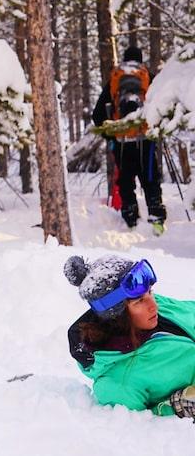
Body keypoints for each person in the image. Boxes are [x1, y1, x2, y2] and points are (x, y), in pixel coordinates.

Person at [64, 254, 195, 418]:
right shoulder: (118, 382)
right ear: (117, 315)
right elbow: (139, 429)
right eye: (139, 301)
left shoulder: (156, 309)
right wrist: (174, 406)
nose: (154, 306)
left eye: (150, 292)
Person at [91, 45, 166, 231]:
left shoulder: (115, 80)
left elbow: (97, 115)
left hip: (121, 139)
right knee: (150, 178)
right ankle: (156, 220)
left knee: (125, 181)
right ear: (140, 59)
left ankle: (131, 221)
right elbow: (162, 106)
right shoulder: (148, 77)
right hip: (145, 139)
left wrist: (110, 135)